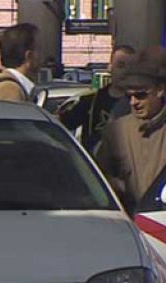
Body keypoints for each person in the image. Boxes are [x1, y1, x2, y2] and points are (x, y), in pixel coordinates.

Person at [96, 47, 166, 213]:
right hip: (127, 223)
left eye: (141, 95)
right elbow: (99, 179)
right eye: (129, 96)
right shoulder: (116, 131)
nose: (133, 102)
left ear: (160, 90)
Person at [58, 45, 136, 151]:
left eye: (131, 68)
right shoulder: (90, 101)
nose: (125, 72)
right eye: (120, 65)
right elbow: (64, 124)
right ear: (110, 68)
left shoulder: (139, 103)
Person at [0, 23, 40, 102]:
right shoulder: (9, 90)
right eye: (39, 50)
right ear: (29, 56)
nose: (43, 56)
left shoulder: (12, 87)